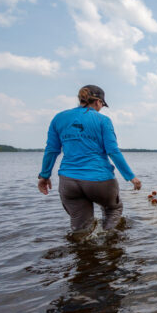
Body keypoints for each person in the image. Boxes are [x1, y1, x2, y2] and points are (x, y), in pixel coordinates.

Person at [38, 85, 141, 233]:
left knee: (80, 229)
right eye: (102, 105)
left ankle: (83, 250)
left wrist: (44, 175)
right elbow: (113, 151)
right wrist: (131, 177)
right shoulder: (103, 120)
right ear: (98, 102)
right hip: (100, 179)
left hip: (69, 181)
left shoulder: (59, 118)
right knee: (113, 209)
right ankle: (110, 244)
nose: (101, 108)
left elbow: (51, 150)